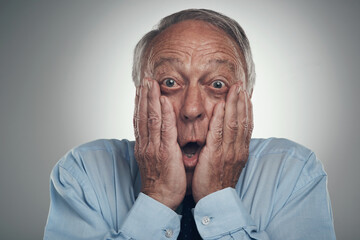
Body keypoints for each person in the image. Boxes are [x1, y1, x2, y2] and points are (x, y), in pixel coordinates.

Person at [44, 9, 336, 240]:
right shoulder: (83, 174)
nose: (191, 109)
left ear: (245, 101)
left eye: (217, 84)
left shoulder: (293, 173)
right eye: (170, 83)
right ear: (141, 98)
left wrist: (218, 197)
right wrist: (157, 198)